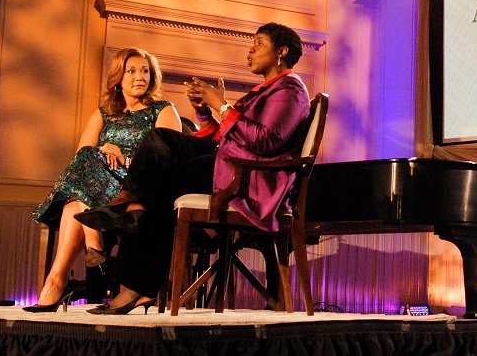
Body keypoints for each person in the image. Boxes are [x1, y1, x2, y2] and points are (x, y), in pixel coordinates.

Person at [74, 22, 311, 315]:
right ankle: (129, 203)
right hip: (227, 160)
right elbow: (224, 136)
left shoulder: (290, 89)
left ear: (281, 51)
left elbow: (265, 142)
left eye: (259, 43)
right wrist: (204, 111)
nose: (250, 49)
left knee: (158, 186)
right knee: (160, 138)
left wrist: (223, 106)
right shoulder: (265, 90)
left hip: (247, 176)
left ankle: (132, 273)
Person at [24, 48, 182, 312]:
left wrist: (124, 157)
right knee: (85, 166)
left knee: (75, 202)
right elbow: (81, 157)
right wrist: (104, 152)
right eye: (131, 71)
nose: (139, 77)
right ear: (118, 78)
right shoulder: (104, 113)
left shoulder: (164, 111)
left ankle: (65, 273)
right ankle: (78, 255)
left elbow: (166, 162)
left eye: (145, 71)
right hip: (102, 186)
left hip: (138, 189)